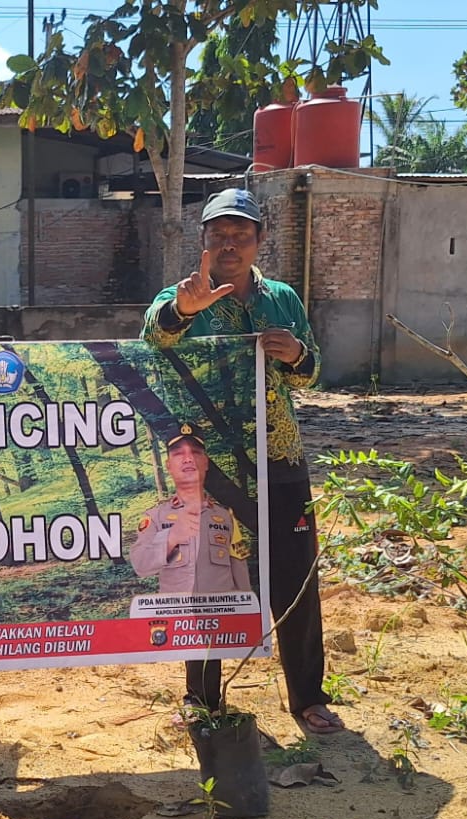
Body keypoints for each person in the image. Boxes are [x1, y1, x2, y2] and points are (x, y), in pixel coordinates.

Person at [140, 188, 345, 736]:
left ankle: (307, 696)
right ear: (202, 240)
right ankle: (202, 699)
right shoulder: (180, 297)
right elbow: (151, 341)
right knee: (208, 578)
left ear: (260, 242)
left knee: (296, 577)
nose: (229, 244)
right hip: (215, 471)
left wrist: (297, 354)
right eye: (219, 234)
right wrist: (185, 309)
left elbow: (311, 372)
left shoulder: (281, 298)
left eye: (241, 235)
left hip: (281, 460)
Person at [129, 423, 254, 716]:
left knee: (212, 655)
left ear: (205, 463)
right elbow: (140, 564)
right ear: (169, 465)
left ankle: (209, 703)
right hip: (178, 614)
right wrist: (172, 537)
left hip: (218, 609)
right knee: (195, 655)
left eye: (195, 452)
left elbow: (238, 562)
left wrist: (246, 609)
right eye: (178, 453)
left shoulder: (224, 516)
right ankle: (196, 701)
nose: (188, 458)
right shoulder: (156, 516)